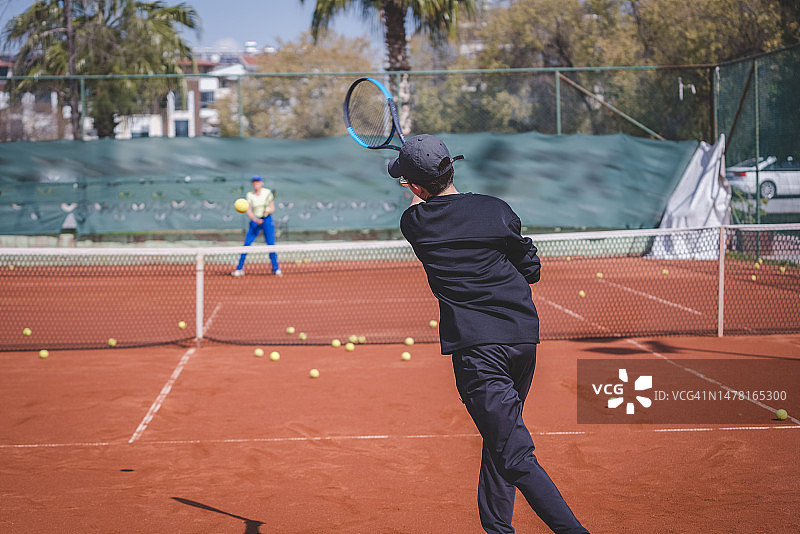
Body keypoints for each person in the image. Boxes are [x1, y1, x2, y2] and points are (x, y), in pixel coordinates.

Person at [391, 134, 588, 534]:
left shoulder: (414, 223)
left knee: (513, 453)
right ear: (452, 166)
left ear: (414, 186)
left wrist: (414, 180)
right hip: (521, 342)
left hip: (478, 352)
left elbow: (419, 202)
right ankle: (497, 529)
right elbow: (530, 268)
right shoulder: (496, 210)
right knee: (500, 438)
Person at [232, 175, 281, 277]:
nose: (256, 184)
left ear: (261, 183)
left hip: (267, 220)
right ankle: (240, 268)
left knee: (271, 245)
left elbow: (272, 208)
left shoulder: (267, 193)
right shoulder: (249, 195)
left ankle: (276, 268)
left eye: (257, 182)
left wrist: (267, 211)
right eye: (254, 182)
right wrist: (255, 219)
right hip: (255, 221)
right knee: (246, 244)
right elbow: (248, 210)